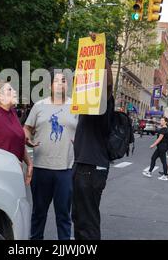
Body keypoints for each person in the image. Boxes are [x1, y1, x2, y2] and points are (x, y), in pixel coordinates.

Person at [24, 69, 78, 241]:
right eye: (57, 81)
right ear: (49, 85)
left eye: (64, 81)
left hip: (66, 169)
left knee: (63, 216)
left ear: (68, 85)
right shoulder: (39, 106)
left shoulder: (76, 106)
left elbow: (84, 131)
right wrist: (26, 138)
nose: (61, 84)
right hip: (41, 168)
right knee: (38, 214)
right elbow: (26, 128)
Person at [72, 56, 114, 240]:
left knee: (86, 222)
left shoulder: (102, 99)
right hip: (84, 164)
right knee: (80, 219)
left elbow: (103, 83)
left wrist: (98, 52)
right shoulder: (87, 100)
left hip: (90, 168)